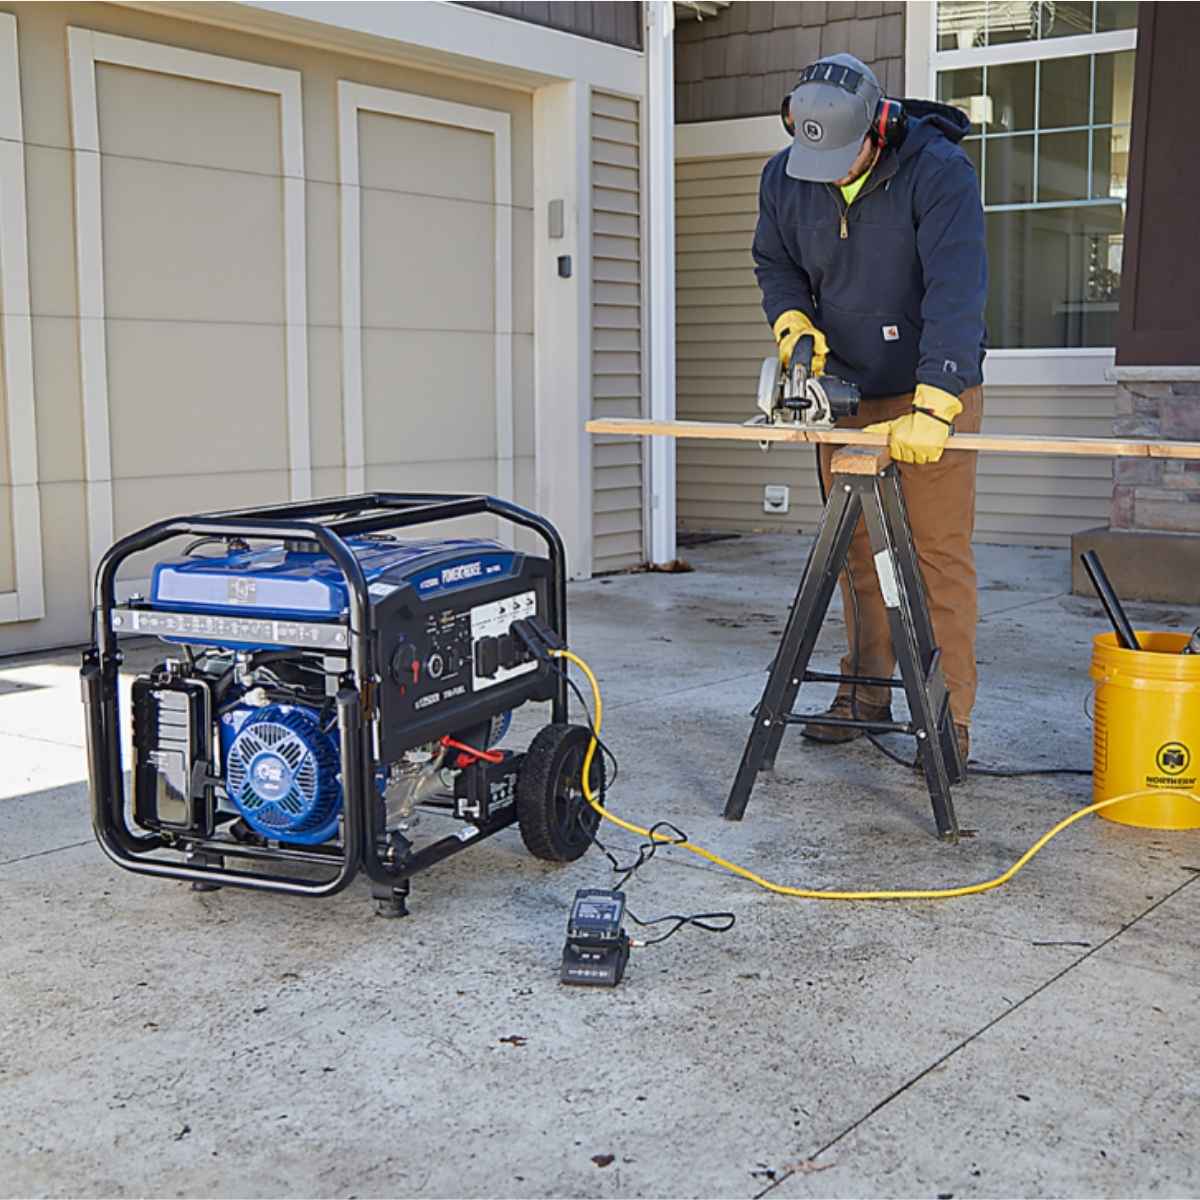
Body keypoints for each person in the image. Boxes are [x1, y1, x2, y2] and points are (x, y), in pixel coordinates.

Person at [751, 52, 987, 763]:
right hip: (845, 387)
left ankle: (950, 720)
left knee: (936, 553)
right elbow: (776, 262)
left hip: (928, 384)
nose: (836, 177)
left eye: (847, 161)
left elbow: (958, 288)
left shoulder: (939, 172)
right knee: (857, 553)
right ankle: (864, 693)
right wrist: (794, 324)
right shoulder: (786, 176)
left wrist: (937, 401)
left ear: (879, 126)